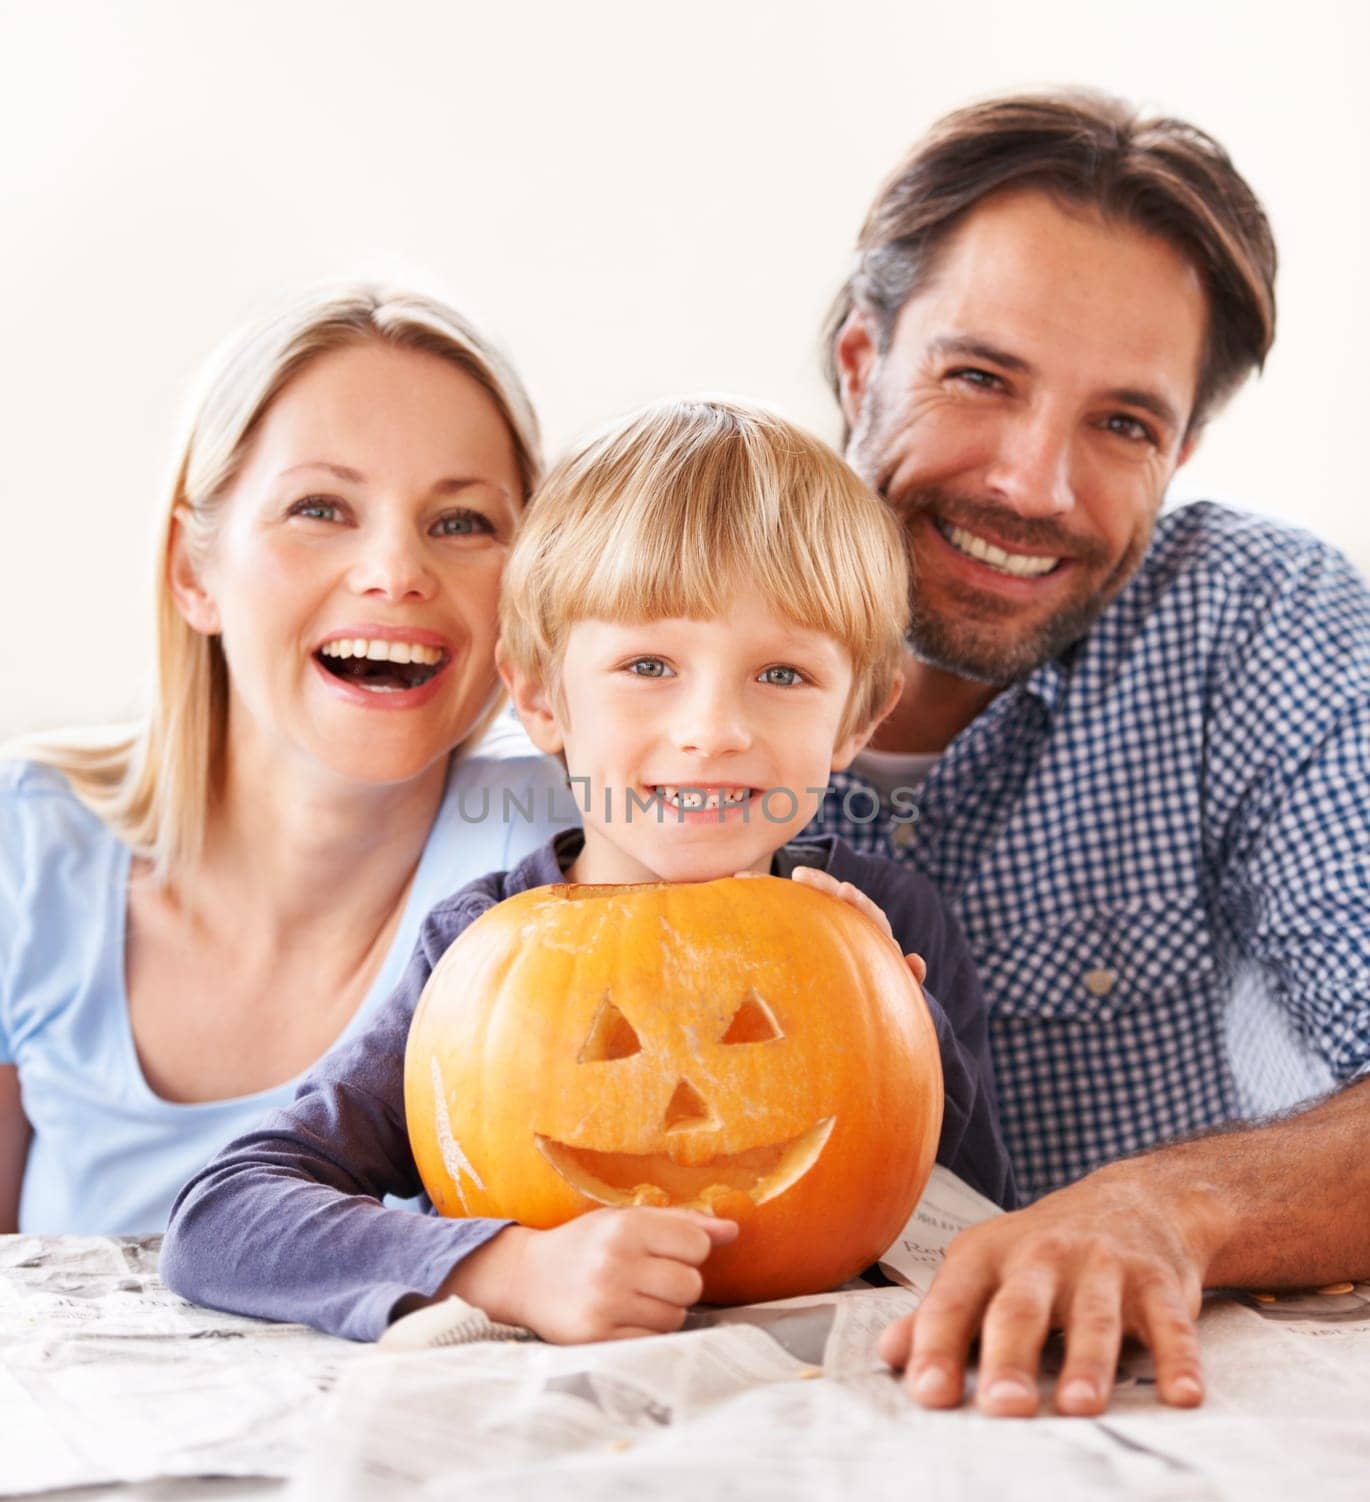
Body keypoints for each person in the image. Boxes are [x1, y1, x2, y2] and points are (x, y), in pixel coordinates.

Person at [160, 398, 1016, 1343]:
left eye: (782, 676)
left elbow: (981, 1224)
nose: (714, 730)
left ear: (857, 719)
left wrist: (901, 1020)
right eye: (649, 664)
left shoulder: (889, 920)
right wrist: (506, 1269)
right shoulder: (479, 953)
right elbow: (222, 1217)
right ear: (539, 695)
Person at [800, 90, 1370, 1416]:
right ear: (857, 362)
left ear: (1181, 448)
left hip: (1116, 1436)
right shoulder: (648, 603)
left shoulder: (1260, 628)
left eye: (1120, 424)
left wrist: (1167, 1205)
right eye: (979, 377)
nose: (1032, 486)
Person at [0, 285, 570, 1235]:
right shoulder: (27, 849)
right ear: (194, 572)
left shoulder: (563, 858)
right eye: (321, 507)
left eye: (464, 522)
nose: (396, 570)